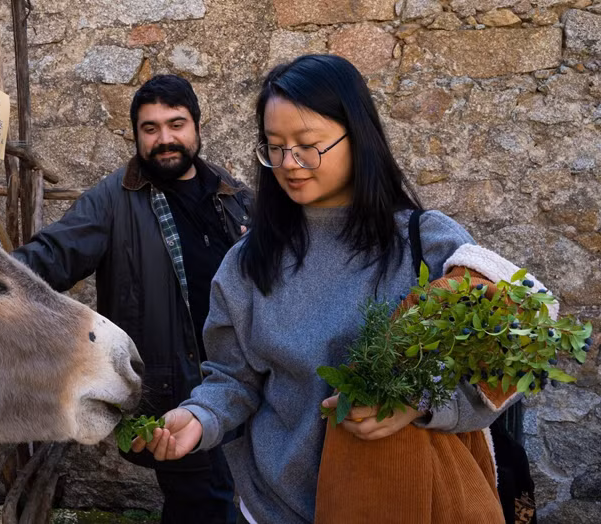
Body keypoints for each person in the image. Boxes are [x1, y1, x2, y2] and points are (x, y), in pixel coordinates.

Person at [133, 55, 509, 523]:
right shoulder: (248, 264)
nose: (289, 164)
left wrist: (418, 404)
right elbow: (234, 380)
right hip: (278, 508)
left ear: (358, 137)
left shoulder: (427, 244)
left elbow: (503, 356)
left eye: (308, 146)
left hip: (409, 500)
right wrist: (199, 418)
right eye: (273, 147)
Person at [12, 74, 251, 524]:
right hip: (177, 389)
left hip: (237, 384)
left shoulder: (232, 196)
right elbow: (53, 254)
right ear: (136, 134)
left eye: (176, 124)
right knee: (205, 501)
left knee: (216, 501)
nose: (165, 139)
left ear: (197, 126)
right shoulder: (113, 199)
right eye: (150, 128)